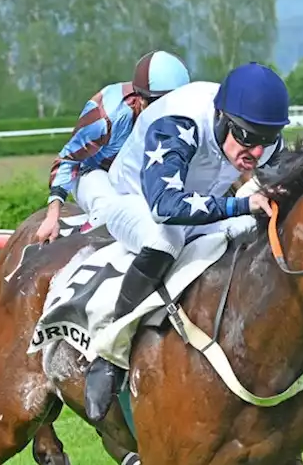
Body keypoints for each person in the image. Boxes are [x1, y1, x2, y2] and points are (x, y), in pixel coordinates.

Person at [78, 61, 289, 422]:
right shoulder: (180, 121)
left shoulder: (264, 140)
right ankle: (109, 355)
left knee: (246, 234)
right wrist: (241, 204)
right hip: (133, 200)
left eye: (265, 141)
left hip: (195, 202)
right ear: (221, 117)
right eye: (246, 138)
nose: (255, 153)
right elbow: (165, 207)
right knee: (167, 240)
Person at [36, 51, 192, 243]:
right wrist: (53, 216)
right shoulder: (105, 118)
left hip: (136, 172)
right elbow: (68, 160)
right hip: (93, 171)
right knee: (108, 212)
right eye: (161, 104)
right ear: (141, 100)